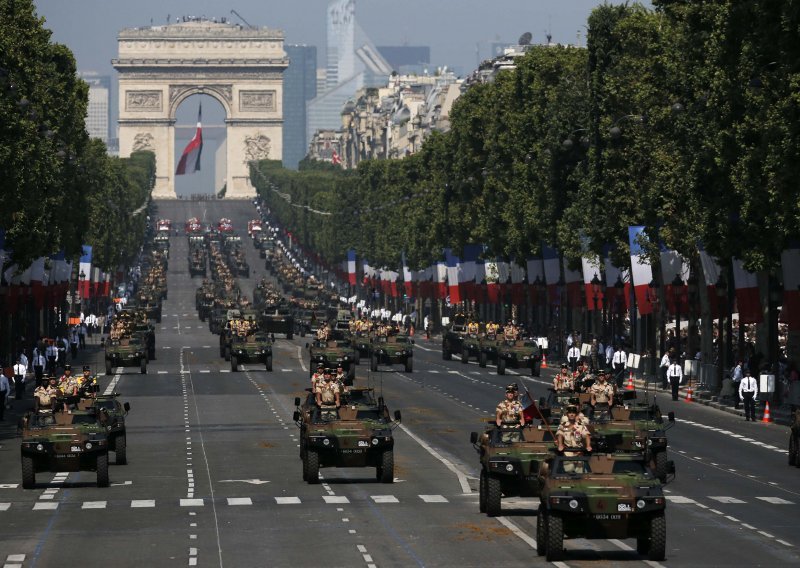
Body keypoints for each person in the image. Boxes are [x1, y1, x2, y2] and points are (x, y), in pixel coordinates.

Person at [557, 406, 592, 471]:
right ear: (567, 414)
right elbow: (560, 434)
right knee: (569, 469)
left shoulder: (581, 426)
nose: (572, 414)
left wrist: (588, 446)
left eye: (573, 413)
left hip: (579, 452)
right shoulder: (563, 426)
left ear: (576, 414)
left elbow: (586, 435)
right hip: (568, 452)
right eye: (570, 413)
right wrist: (560, 445)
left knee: (580, 472)